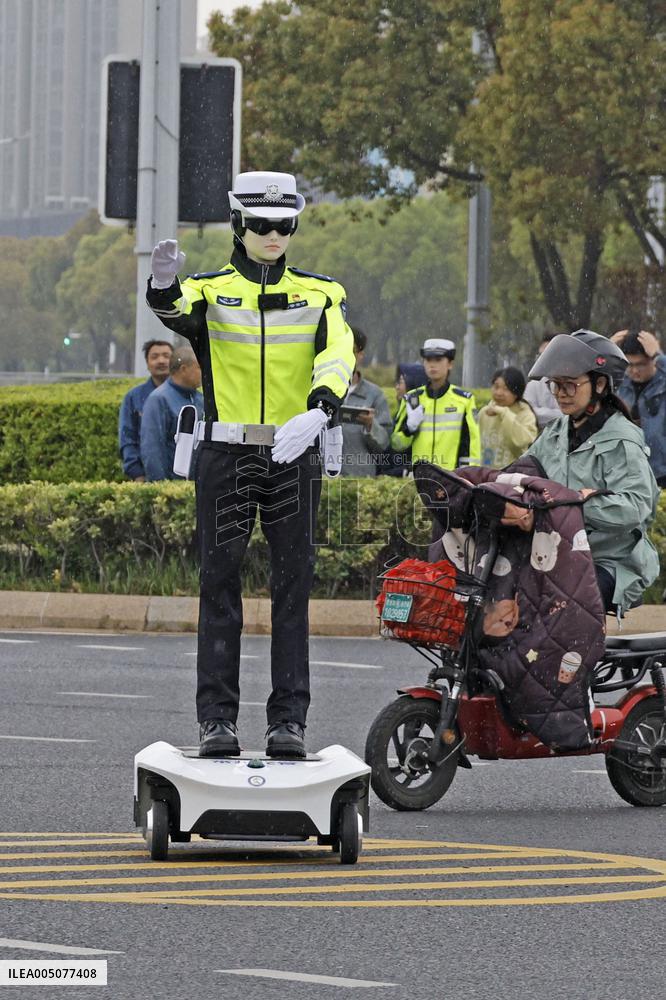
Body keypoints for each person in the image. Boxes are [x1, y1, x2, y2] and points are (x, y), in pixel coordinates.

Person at [146, 171, 354, 759]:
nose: (272, 234)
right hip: (227, 453)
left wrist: (320, 408)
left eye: (284, 225)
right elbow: (175, 308)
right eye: (260, 224)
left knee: (293, 589)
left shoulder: (321, 293)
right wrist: (162, 283)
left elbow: (339, 350)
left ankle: (290, 722)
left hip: (294, 450)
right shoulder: (211, 289)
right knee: (219, 585)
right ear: (238, 224)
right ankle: (217, 721)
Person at [522, 329, 659, 614]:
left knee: (564, 605)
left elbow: (636, 506)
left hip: (612, 562)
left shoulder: (622, 439)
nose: (560, 394)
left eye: (569, 385)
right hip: (560, 553)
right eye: (555, 385)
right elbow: (524, 471)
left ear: (599, 384)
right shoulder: (557, 431)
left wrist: (577, 503)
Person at [391, 338, 480, 470]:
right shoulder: (411, 398)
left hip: (452, 479)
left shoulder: (464, 401)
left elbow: (472, 445)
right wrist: (409, 429)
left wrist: (468, 475)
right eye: (428, 360)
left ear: (450, 364)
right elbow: (396, 445)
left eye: (438, 360)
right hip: (419, 480)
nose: (432, 365)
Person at [611, 329, 666, 488]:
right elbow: (589, 379)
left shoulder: (663, 381)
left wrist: (658, 354)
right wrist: (607, 350)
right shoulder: (619, 382)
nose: (634, 370)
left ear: (652, 360)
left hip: (661, 472)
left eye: (640, 364)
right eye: (629, 365)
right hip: (625, 472)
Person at [139, 347, 204, 481]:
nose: (203, 372)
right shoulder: (158, 399)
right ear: (184, 369)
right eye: (199, 367)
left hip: (199, 485)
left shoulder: (200, 399)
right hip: (173, 485)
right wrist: (161, 486)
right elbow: (152, 448)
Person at [340, 328, 393, 477]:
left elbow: (385, 443)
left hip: (361, 479)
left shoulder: (374, 395)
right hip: (323, 478)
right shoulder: (320, 390)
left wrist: (370, 425)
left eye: (351, 351)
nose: (344, 355)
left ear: (360, 355)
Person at [118, 340, 173, 481]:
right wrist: (137, 473)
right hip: (145, 477)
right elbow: (127, 438)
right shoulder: (134, 397)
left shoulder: (189, 395)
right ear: (147, 364)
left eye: (166, 356)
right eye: (154, 357)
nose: (161, 361)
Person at [478, 366, 537, 468]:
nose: (499, 393)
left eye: (506, 389)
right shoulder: (485, 413)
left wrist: (504, 413)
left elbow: (521, 442)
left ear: (516, 393)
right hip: (486, 476)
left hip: (514, 476)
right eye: (496, 387)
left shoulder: (526, 415)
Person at [522, 332, 563, 430]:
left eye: (547, 355)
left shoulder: (572, 383)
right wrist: (559, 415)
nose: (542, 360)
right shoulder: (533, 385)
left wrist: (541, 413)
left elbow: (571, 414)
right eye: (540, 355)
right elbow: (528, 413)